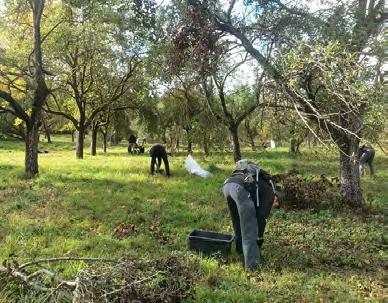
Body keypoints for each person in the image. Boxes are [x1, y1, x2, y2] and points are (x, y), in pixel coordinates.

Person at [223, 160, 279, 270]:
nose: (275, 206)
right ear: (277, 197)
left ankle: (240, 251)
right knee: (249, 228)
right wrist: (259, 239)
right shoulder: (270, 194)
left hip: (228, 185)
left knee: (238, 222)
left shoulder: (263, 184)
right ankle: (252, 265)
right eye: (277, 205)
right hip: (240, 189)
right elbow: (261, 218)